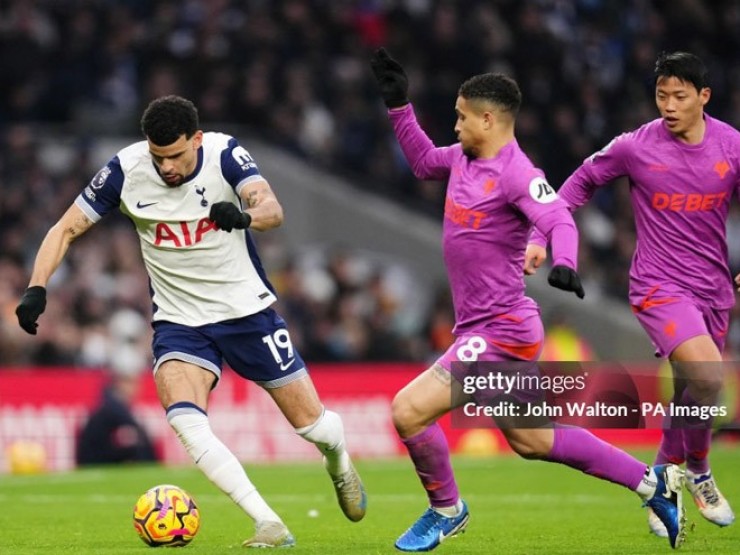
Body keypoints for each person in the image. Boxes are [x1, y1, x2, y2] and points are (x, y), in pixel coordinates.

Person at [370, 47, 686, 551]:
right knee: (533, 440)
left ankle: (446, 510)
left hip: (500, 329)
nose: (454, 126)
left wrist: (564, 260)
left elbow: (558, 216)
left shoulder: (518, 173)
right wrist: (398, 106)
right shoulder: (462, 160)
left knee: (408, 411)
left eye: (460, 116)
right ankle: (654, 485)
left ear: (488, 118)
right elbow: (424, 161)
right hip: (486, 326)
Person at [15, 95, 366, 547]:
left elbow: (272, 209)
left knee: (313, 426)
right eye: (159, 157)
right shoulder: (125, 169)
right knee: (185, 421)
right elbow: (64, 227)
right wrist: (37, 286)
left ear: (196, 140)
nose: (167, 168)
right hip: (180, 321)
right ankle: (268, 522)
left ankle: (338, 460)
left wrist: (243, 216)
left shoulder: (225, 153)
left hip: (246, 313)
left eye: (177, 156)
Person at [526, 51, 737, 537]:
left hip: (713, 288)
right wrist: (542, 237)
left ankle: (663, 476)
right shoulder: (635, 146)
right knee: (707, 378)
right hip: (658, 285)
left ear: (704, 97)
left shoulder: (733, 146)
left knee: (692, 388)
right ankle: (700, 470)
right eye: (661, 95)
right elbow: (578, 183)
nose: (668, 105)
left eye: (679, 96)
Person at [76, 371, 158, 466]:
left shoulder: (109, 404)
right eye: (132, 383)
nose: (137, 388)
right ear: (120, 384)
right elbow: (137, 432)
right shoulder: (113, 407)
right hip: (95, 461)